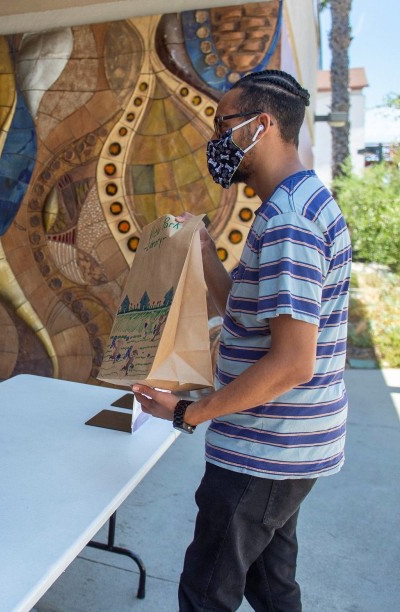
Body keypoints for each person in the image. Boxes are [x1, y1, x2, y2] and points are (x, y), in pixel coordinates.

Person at [132, 70, 351, 611]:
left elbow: (293, 362)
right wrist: (205, 251)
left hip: (263, 449)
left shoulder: (290, 223)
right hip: (283, 445)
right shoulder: (297, 203)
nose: (215, 140)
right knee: (271, 584)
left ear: (262, 124)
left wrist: (190, 412)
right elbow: (248, 315)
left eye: (223, 123)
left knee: (207, 591)